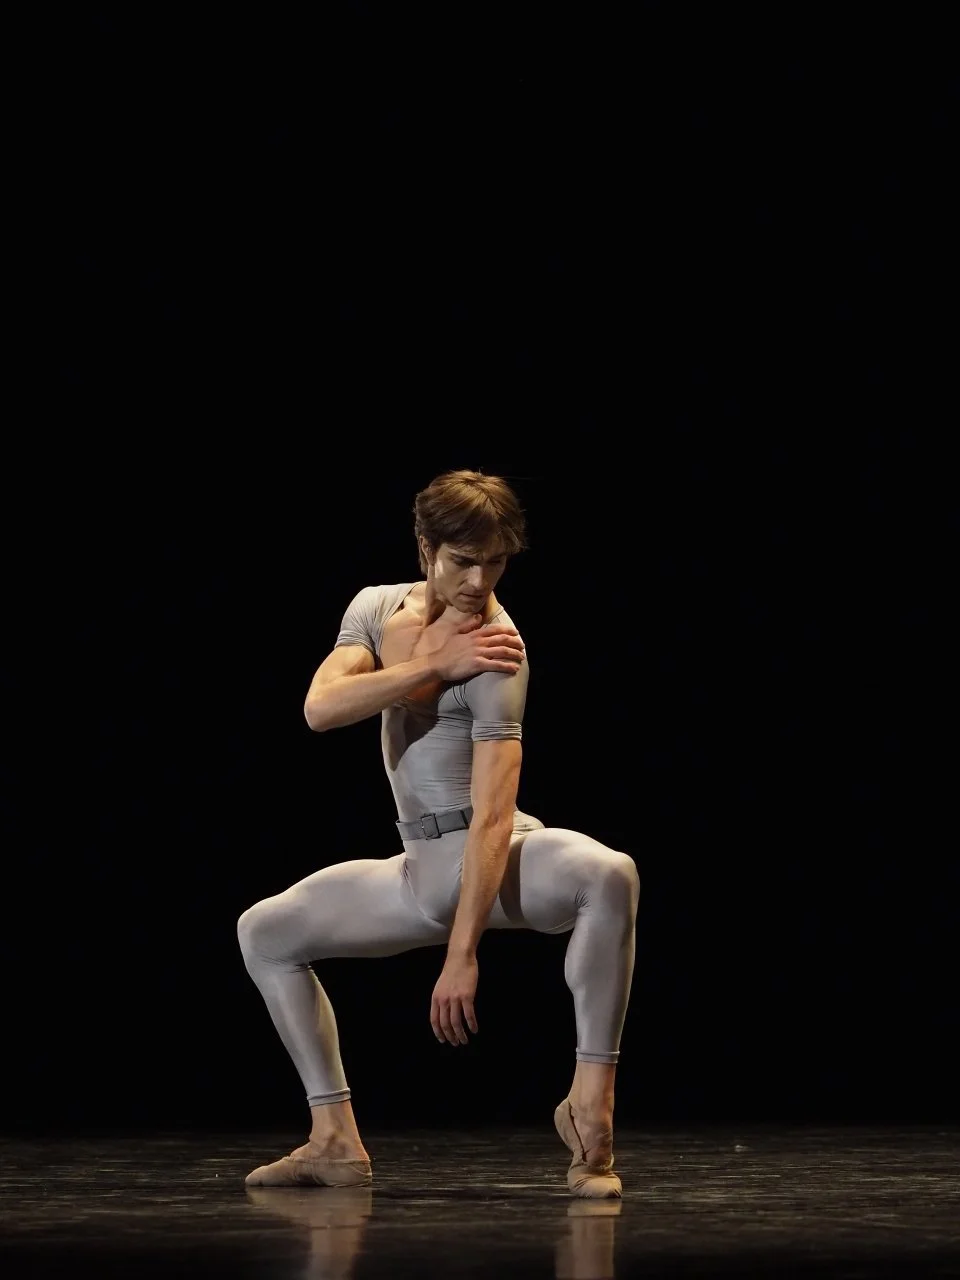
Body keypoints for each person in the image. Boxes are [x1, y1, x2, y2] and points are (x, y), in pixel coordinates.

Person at [238, 469, 641, 1198]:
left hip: (497, 857)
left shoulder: (499, 650)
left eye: (496, 562)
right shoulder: (376, 606)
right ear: (425, 548)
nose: (479, 579)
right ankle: (333, 1140)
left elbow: (492, 813)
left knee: (609, 873)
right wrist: (430, 665)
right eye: (463, 560)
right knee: (264, 931)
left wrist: (463, 953)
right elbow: (321, 709)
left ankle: (591, 1114)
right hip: (420, 870)